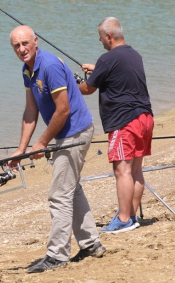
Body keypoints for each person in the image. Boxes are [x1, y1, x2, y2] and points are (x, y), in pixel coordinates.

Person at [8, 25, 105, 273]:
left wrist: (42, 143)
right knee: (71, 188)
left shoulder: (49, 66)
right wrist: (22, 149)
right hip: (63, 134)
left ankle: (57, 255)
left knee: (59, 194)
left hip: (75, 132)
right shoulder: (27, 70)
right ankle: (91, 243)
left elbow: (63, 110)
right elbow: (31, 111)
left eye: (25, 43)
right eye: (17, 46)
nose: (22, 49)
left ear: (35, 42)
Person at [78, 17, 154, 234]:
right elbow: (119, 73)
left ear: (108, 36)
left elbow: (88, 89)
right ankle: (130, 216)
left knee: (122, 171)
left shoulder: (108, 59)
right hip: (145, 118)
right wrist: (98, 69)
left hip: (124, 121)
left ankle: (123, 219)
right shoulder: (134, 54)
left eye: (101, 37)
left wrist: (72, 85)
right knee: (136, 170)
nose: (100, 41)